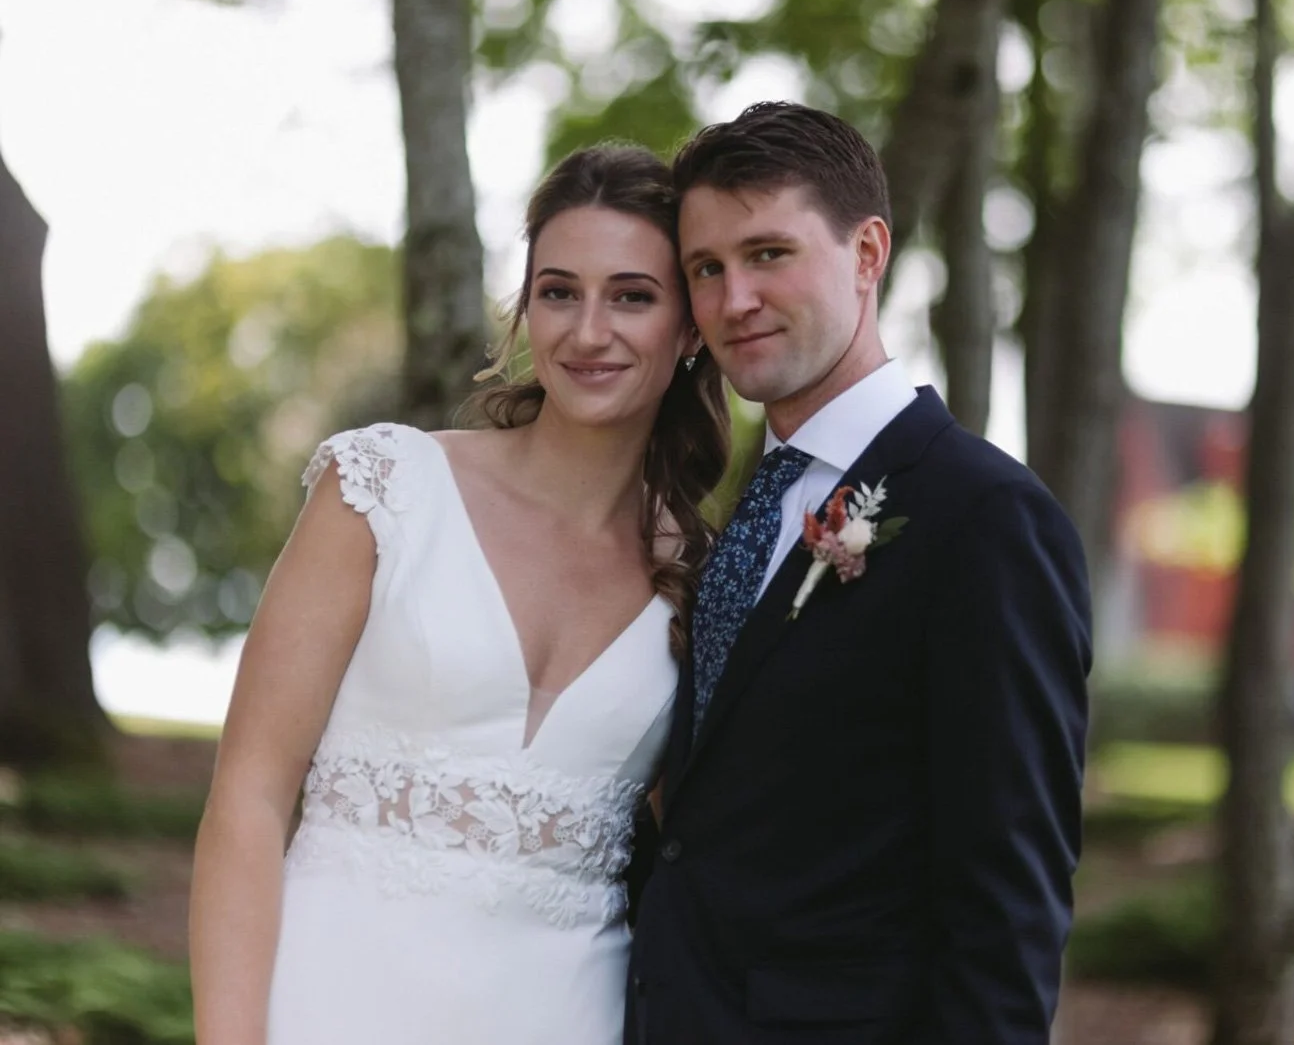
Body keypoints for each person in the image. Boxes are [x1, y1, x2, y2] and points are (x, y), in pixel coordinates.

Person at [188, 144, 729, 1045]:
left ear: (691, 328)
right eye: (559, 292)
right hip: (325, 1003)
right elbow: (247, 796)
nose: (588, 331)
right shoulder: (384, 488)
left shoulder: (700, 575)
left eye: (632, 295)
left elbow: (704, 854)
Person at [626, 102, 1092, 1045]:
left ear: (868, 253)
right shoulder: (734, 511)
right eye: (705, 269)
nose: (733, 300)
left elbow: (1007, 902)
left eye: (768, 254)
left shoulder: (985, 518)